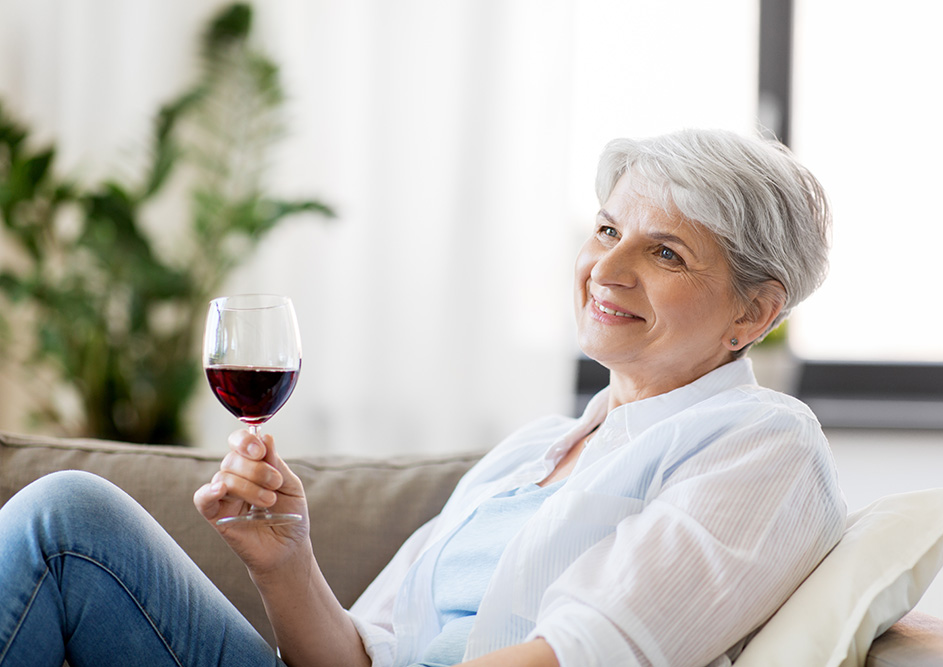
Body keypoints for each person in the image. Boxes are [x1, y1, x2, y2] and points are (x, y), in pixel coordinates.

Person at [0, 128, 846, 667]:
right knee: (73, 517)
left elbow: (587, 654)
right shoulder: (534, 450)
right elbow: (357, 654)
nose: (608, 269)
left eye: (665, 253)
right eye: (606, 229)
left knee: (66, 522)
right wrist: (285, 560)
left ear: (754, 312)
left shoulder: (760, 439)